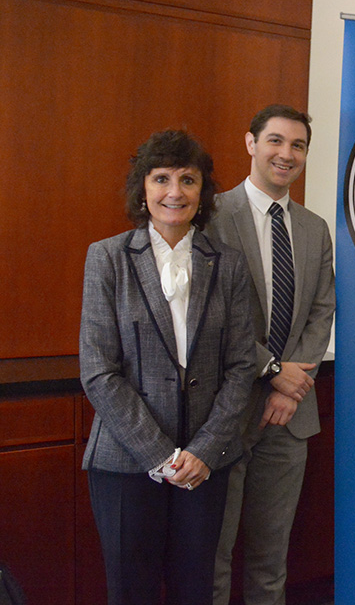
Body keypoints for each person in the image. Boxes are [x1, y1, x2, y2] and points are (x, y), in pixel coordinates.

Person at [80, 130, 258, 604]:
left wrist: (203, 450)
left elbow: (242, 367)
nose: (174, 192)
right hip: (125, 461)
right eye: (161, 179)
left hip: (205, 463)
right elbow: (98, 370)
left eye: (188, 179)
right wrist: (160, 456)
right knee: (131, 591)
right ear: (143, 189)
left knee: (195, 589)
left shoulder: (230, 266)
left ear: (204, 193)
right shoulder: (108, 258)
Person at [211, 105, 335, 605]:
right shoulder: (213, 216)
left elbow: (321, 310)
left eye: (298, 145)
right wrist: (273, 372)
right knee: (214, 558)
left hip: (290, 417)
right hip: (225, 414)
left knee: (270, 559)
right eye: (276, 141)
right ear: (250, 143)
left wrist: (293, 386)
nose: (287, 154)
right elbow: (213, 315)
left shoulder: (313, 227)